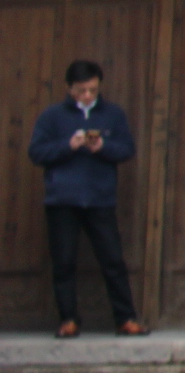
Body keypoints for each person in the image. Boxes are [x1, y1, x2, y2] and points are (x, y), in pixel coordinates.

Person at [29, 60, 141, 338]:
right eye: (81, 90)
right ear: (69, 88)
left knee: (113, 261)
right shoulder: (52, 116)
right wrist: (68, 145)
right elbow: (37, 152)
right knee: (64, 262)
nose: (88, 95)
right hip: (62, 200)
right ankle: (68, 319)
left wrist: (102, 146)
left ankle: (126, 318)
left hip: (100, 199)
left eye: (92, 89)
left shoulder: (113, 114)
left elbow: (127, 149)